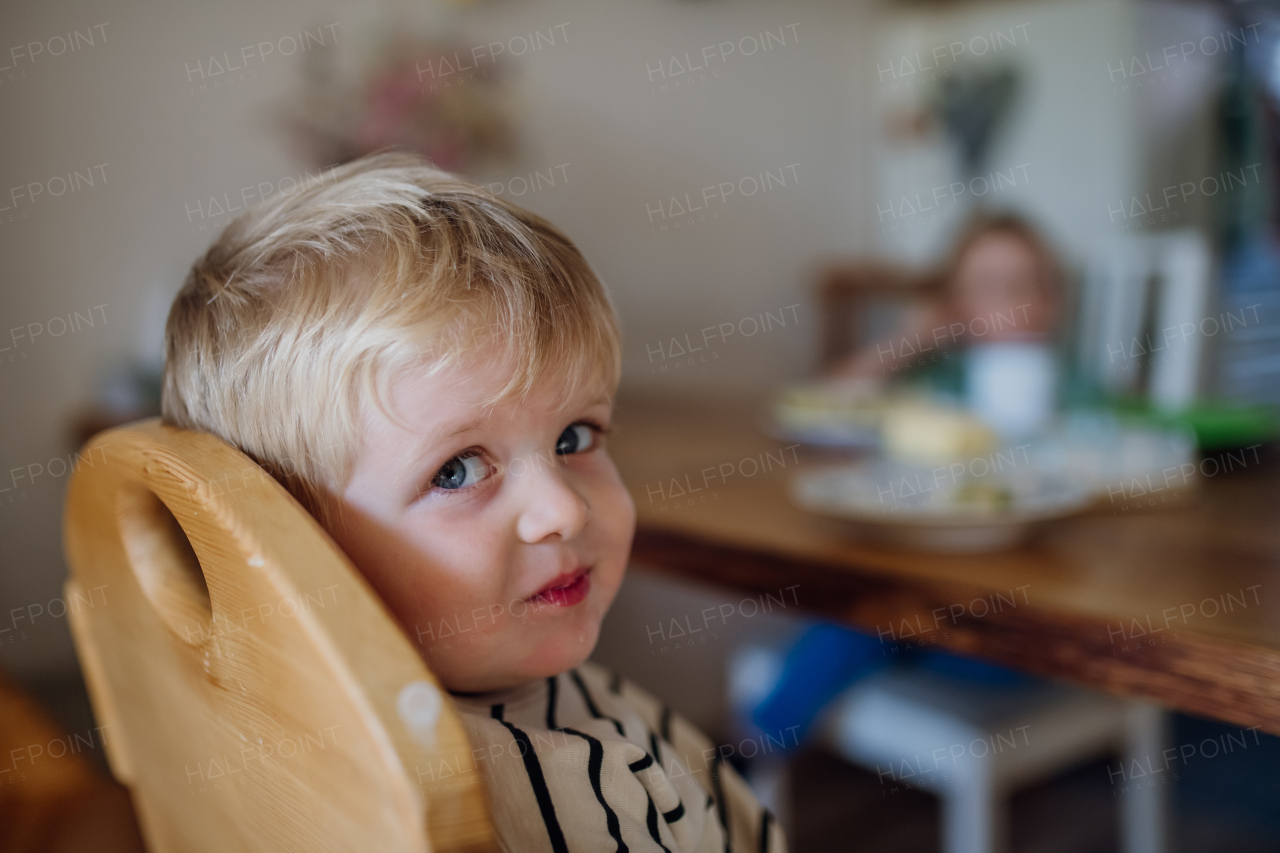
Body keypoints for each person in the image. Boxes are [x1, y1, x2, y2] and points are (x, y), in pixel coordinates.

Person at [161, 153, 785, 853]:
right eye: (457, 470)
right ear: (297, 545)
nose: (563, 510)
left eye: (575, 435)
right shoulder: (553, 797)